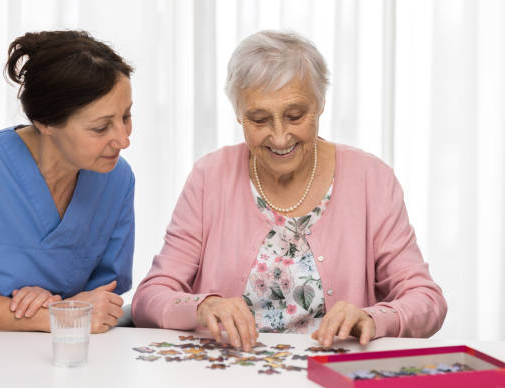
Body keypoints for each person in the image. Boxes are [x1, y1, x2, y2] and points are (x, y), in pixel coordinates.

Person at [132, 30, 446, 350]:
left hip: (333, 380)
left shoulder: (371, 178)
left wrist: (375, 318)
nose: (280, 137)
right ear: (238, 114)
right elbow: (149, 298)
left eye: (295, 116)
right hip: (226, 380)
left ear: (320, 105)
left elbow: (427, 300)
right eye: (259, 119)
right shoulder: (208, 177)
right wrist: (202, 307)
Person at [0, 30, 135, 333]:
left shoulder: (117, 181)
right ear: (46, 123)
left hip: (70, 360)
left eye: (126, 116)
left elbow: (104, 299)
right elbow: (78, 313)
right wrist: (51, 314)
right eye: (101, 128)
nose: (123, 140)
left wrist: (60, 306)